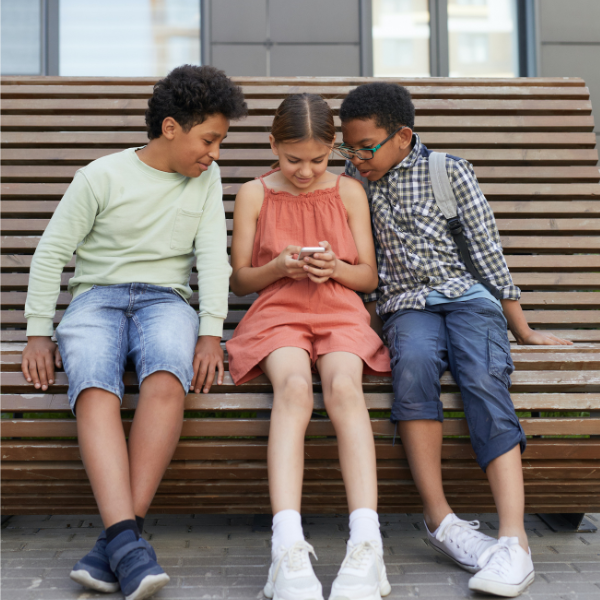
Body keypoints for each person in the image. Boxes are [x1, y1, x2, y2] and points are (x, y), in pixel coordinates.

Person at [21, 65, 248, 600]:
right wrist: (37, 331)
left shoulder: (207, 179)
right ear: (171, 128)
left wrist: (211, 331)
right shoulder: (100, 176)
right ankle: (130, 544)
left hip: (166, 300)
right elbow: (53, 253)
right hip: (96, 300)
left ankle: (118, 542)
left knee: (169, 375)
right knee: (95, 386)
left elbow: (211, 258)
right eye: (208, 139)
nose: (214, 153)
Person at [337, 82, 572, 599]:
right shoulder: (354, 183)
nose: (355, 157)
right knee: (415, 367)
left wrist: (523, 328)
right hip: (404, 306)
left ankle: (515, 541)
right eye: (347, 148)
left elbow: (487, 253)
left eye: (364, 146)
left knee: (483, 377)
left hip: (469, 299)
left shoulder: (448, 171)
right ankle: (441, 520)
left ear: (403, 136)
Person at [227, 93, 392, 600]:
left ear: (332, 150)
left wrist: (333, 269)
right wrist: (278, 267)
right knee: (295, 388)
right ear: (272, 145)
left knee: (344, 386)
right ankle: (287, 544)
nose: (305, 171)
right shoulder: (254, 193)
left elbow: (367, 276)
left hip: (338, 307)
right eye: (293, 159)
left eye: (318, 160)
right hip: (278, 313)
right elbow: (240, 281)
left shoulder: (348, 192)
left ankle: (367, 542)